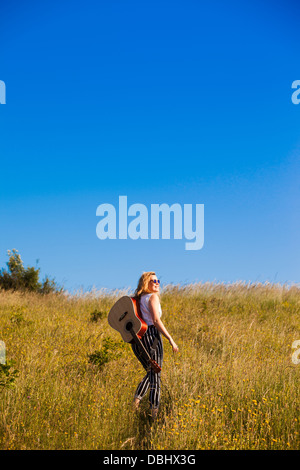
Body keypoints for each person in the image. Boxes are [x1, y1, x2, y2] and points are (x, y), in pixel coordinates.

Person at [131, 271, 179, 420]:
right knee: (155, 375)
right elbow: (156, 320)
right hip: (152, 335)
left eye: (158, 280)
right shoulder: (152, 297)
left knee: (151, 371)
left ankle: (136, 403)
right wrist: (170, 338)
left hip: (140, 337)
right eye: (153, 281)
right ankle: (153, 414)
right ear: (146, 283)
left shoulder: (139, 299)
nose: (157, 283)